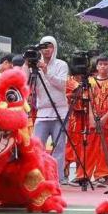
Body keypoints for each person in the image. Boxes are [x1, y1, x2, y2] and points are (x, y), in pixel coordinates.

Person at [66, 55, 108, 188]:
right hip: (91, 120)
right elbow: (88, 100)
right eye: (100, 64)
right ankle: (83, 176)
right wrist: (91, 118)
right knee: (89, 148)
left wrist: (105, 118)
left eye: (106, 64)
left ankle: (102, 176)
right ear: (96, 66)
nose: (103, 66)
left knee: (106, 148)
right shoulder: (90, 81)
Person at [29, 36, 70, 165]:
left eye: (50, 46)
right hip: (42, 113)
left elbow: (62, 85)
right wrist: (27, 63)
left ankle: (58, 175)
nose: (46, 49)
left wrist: (46, 72)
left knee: (58, 149)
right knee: (37, 148)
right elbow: (26, 83)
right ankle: (39, 173)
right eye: (44, 46)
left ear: (54, 48)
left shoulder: (61, 64)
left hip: (60, 112)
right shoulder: (34, 65)